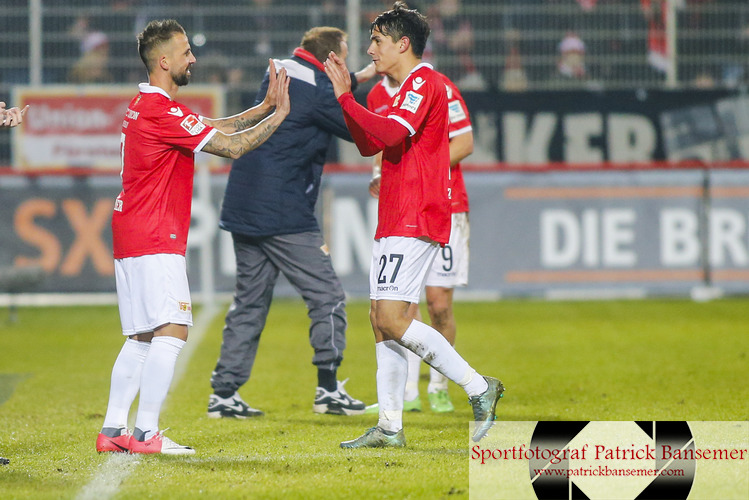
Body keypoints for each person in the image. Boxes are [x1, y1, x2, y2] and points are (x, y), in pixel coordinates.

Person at [96, 18, 290, 456]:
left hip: (132, 230)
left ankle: (112, 431)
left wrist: (261, 107)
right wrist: (279, 116)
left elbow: (209, 123)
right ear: (164, 61)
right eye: (185, 52)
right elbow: (233, 147)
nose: (193, 58)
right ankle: (146, 433)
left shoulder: (148, 106)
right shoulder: (161, 111)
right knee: (173, 329)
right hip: (153, 232)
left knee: (142, 336)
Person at [324, 2, 504, 448]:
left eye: (378, 42)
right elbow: (370, 144)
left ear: (403, 44)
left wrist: (346, 97)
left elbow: (387, 136)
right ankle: (389, 426)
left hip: (417, 212)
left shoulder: (425, 81)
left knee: (392, 316)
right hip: (395, 213)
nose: (371, 50)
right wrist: (346, 101)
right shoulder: (403, 88)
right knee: (380, 320)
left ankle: (479, 387)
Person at [207, 27, 376, 419]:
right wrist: (357, 89)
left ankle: (223, 393)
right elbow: (361, 130)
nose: (348, 63)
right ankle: (329, 390)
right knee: (328, 295)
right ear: (332, 59)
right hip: (282, 209)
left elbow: (319, 85)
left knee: (249, 301)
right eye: (345, 57)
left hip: (244, 203)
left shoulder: (281, 71)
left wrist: (357, 77)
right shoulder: (319, 90)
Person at [363, 68, 474, 415]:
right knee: (400, 307)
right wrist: (381, 175)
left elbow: (465, 142)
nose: (372, 51)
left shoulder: (439, 85)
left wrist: (418, 169)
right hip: (402, 210)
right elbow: (381, 147)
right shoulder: (376, 97)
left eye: (378, 41)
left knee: (438, 303)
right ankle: (408, 391)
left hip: (444, 205)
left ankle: (440, 385)